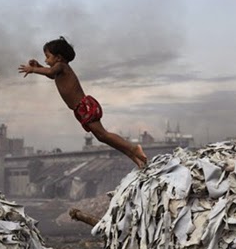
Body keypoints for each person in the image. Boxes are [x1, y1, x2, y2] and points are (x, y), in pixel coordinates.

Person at [18, 37, 147, 169]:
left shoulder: (61, 66)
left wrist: (34, 70)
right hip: (80, 109)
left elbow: (50, 71)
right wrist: (38, 67)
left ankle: (134, 148)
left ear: (58, 57)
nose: (46, 60)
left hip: (85, 107)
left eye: (47, 56)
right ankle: (136, 158)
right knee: (102, 137)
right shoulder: (58, 70)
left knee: (104, 134)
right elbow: (51, 75)